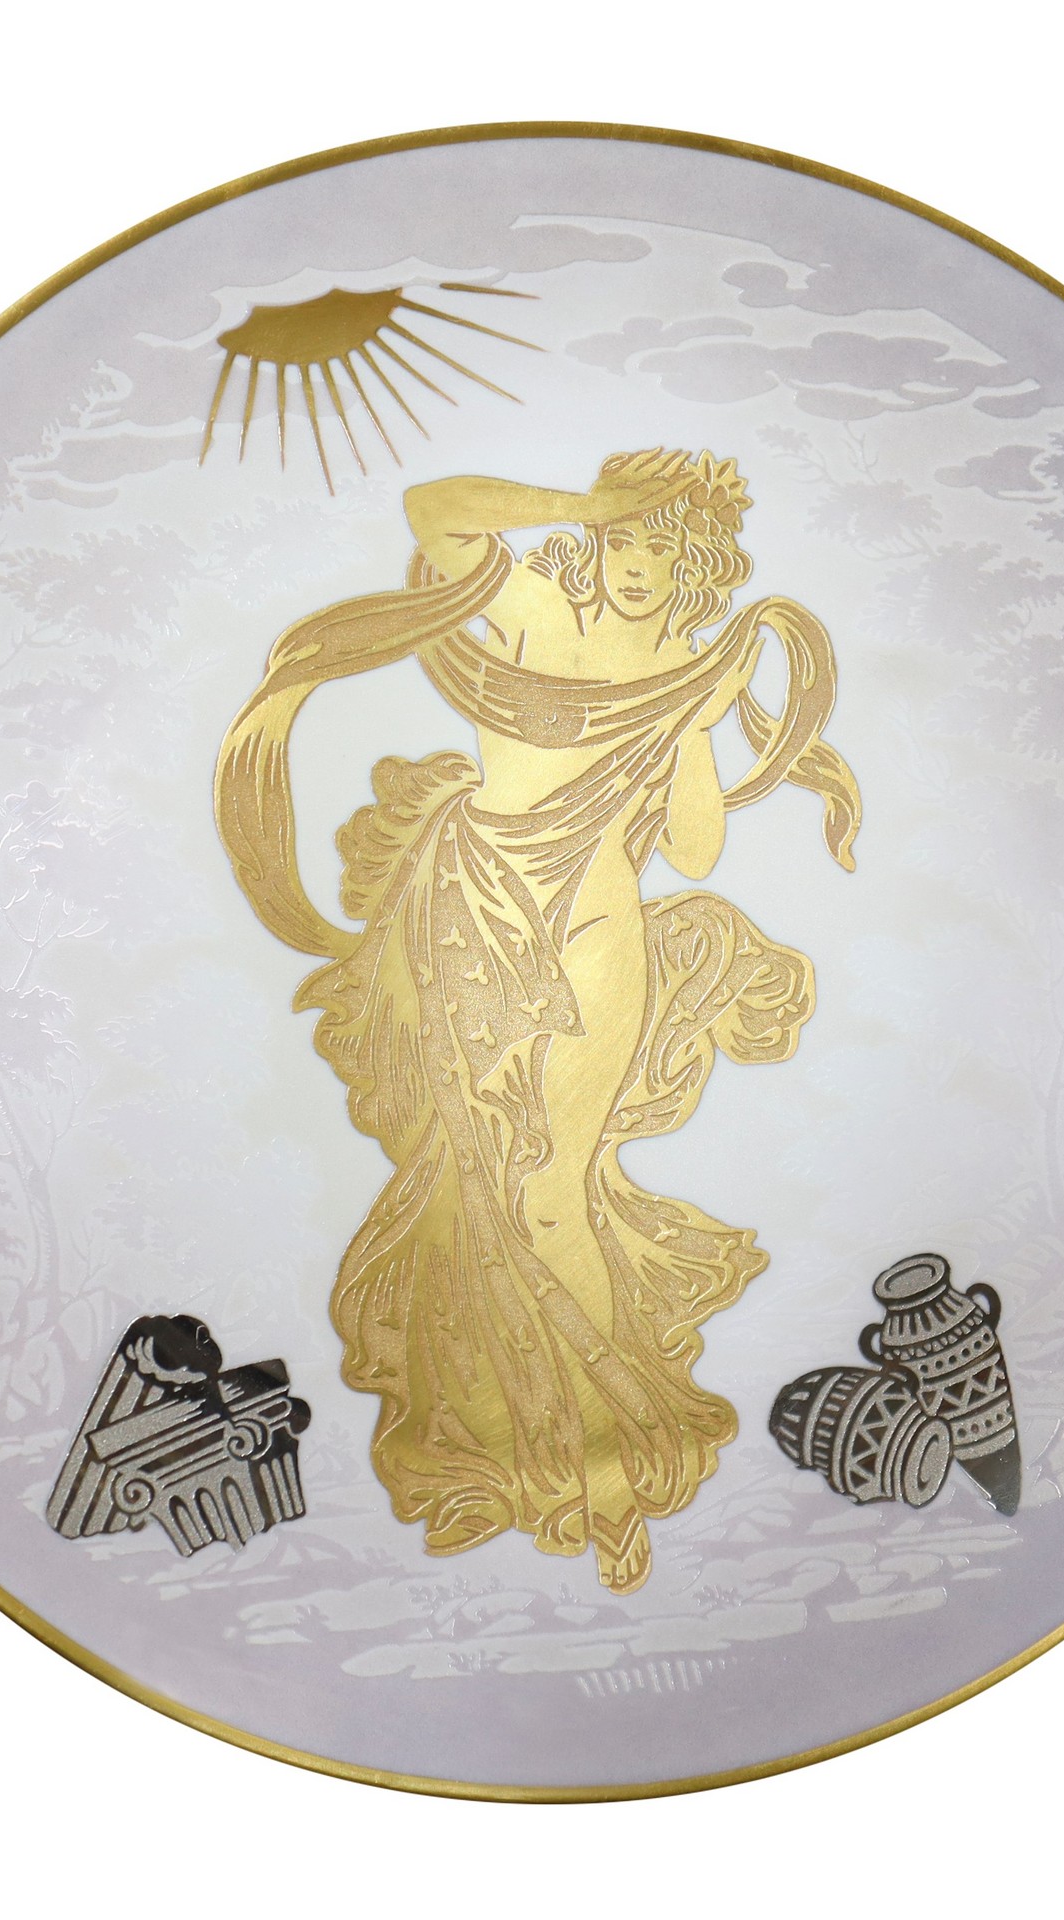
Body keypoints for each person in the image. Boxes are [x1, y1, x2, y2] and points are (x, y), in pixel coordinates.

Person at [216, 448, 858, 1592]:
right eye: (623, 539)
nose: (637, 565)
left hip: (599, 925)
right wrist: (589, 501)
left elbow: (694, 849)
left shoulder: (684, 671)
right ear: (595, 537)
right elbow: (436, 512)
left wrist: (698, 722)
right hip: (472, 912)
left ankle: (604, 1460)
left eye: (663, 547)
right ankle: (485, 1446)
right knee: (473, 1178)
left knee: (556, 1184)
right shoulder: (529, 610)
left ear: (698, 564)